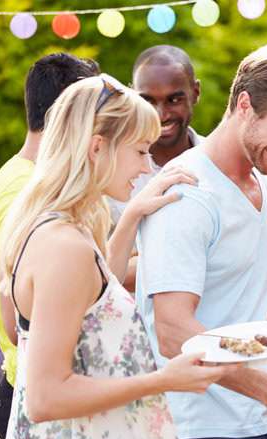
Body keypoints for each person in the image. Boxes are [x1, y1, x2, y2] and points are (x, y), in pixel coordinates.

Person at [0, 74, 233, 439]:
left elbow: (97, 294)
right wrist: (164, 380)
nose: (146, 167)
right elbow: (46, 398)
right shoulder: (64, 247)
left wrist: (132, 215)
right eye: (140, 151)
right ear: (96, 148)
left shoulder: (56, 227)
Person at [136, 43, 267, 439]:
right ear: (244, 105)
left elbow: (248, 292)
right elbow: (173, 332)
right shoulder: (188, 192)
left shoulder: (263, 185)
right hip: (197, 427)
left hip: (252, 419)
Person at [0, 53, 99, 439]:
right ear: (67, 115)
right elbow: (23, 314)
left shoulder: (27, 178)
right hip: (32, 393)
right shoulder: (26, 191)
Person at [108, 45, 204, 291]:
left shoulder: (219, 163)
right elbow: (101, 273)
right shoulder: (110, 173)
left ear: (195, 93)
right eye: (147, 100)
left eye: (174, 100)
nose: (161, 115)